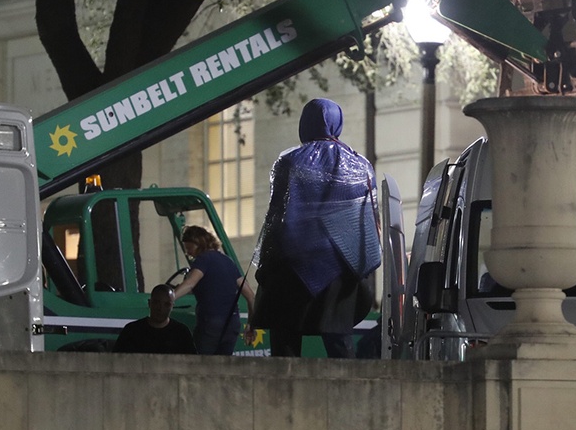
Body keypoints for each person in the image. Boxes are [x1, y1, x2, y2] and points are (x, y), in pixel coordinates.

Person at [251, 98, 380, 358]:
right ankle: (349, 396)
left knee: (285, 343)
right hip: (340, 270)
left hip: (291, 268)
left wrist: (264, 265)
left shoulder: (289, 162)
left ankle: (283, 397)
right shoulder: (361, 165)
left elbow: (276, 217)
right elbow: (368, 221)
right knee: (339, 344)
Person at [173, 225, 256, 355]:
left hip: (211, 322)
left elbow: (190, 283)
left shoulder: (203, 259)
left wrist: (169, 298)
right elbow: (250, 296)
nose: (188, 253)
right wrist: (251, 325)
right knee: (223, 366)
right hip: (232, 323)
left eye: (189, 248)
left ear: (199, 243)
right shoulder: (228, 261)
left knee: (203, 365)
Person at [113, 284, 197, 354]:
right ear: (150, 303)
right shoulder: (132, 331)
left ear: (172, 306)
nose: (160, 308)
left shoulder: (182, 333)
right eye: (157, 303)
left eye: (166, 304)